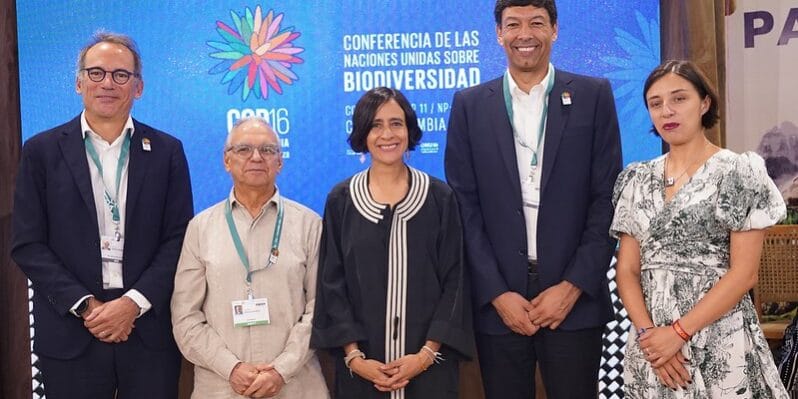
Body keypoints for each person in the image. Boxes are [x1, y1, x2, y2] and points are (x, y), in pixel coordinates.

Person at [444, 0, 622, 397]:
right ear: (499, 34)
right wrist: (496, 293)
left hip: (572, 301)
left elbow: (607, 200)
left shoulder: (593, 95)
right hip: (499, 302)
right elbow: (463, 208)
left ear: (555, 30)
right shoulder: (469, 105)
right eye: (513, 25)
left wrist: (573, 286)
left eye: (536, 23)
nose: (525, 34)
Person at [11, 31, 193, 398]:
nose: (108, 83)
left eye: (121, 75)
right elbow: (28, 243)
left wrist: (132, 304)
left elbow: (179, 238)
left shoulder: (166, 151)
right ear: (79, 83)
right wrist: (87, 306)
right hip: (71, 332)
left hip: (147, 332)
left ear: (138, 87)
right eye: (96, 73)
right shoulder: (41, 151)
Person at [611, 60, 790, 398]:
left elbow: (744, 274)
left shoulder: (738, 171)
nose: (667, 111)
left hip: (718, 335)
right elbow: (627, 270)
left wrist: (678, 333)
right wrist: (652, 339)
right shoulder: (635, 178)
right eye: (656, 103)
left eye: (679, 99)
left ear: (705, 103)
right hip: (652, 346)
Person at [311, 87, 473, 398]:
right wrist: (355, 358)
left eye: (396, 123)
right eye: (375, 124)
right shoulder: (341, 200)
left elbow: (456, 280)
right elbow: (332, 283)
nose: (387, 134)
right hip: (361, 372)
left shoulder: (439, 197)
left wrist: (425, 356)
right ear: (362, 133)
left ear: (409, 130)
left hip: (430, 371)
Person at [171, 117, 329, 399]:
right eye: (244, 150)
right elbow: (185, 317)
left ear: (280, 162)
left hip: (296, 386)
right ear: (226, 160)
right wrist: (231, 368)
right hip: (221, 387)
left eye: (268, 150)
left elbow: (320, 311)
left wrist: (280, 370)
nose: (256, 157)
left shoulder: (309, 225)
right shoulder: (200, 228)